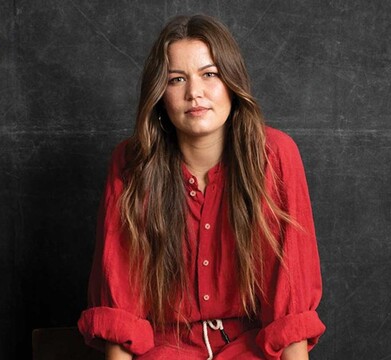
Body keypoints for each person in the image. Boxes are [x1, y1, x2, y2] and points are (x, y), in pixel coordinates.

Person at [78, 14, 325, 360]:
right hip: (165, 348)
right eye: (177, 79)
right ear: (160, 93)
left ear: (231, 81)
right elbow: (120, 299)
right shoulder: (132, 162)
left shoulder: (276, 156)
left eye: (210, 74)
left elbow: (292, 302)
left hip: (249, 348)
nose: (195, 93)